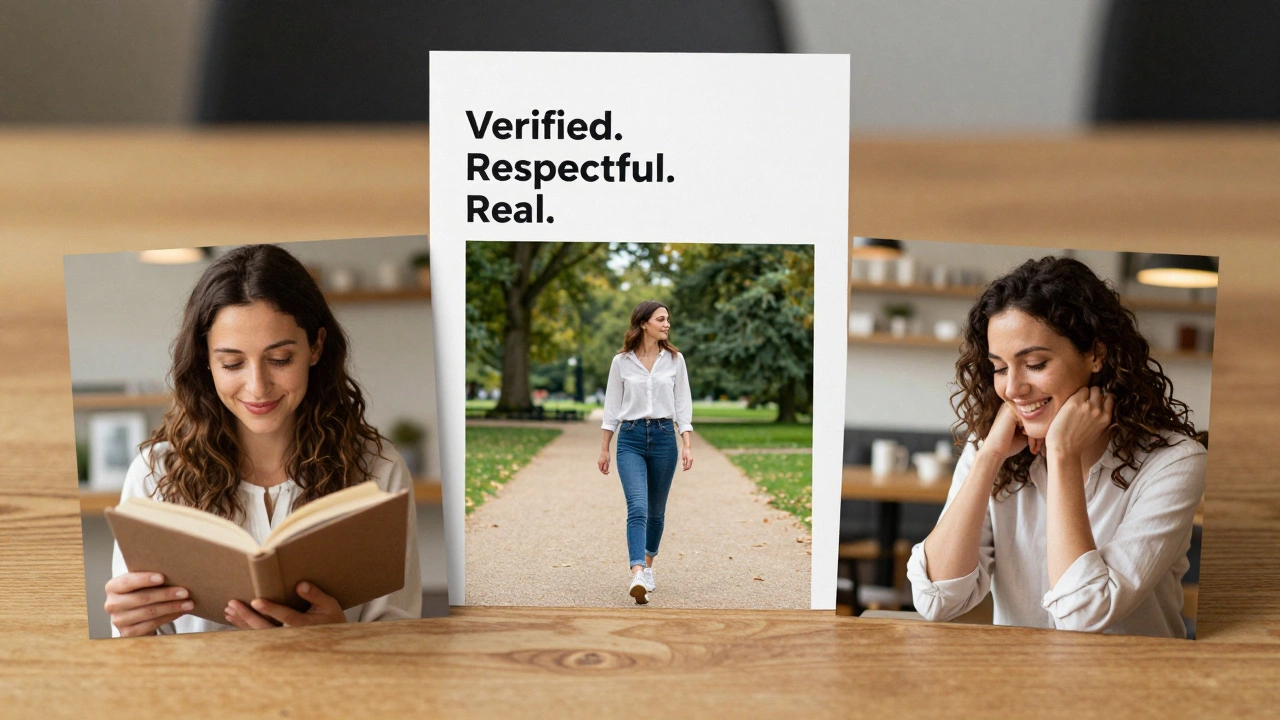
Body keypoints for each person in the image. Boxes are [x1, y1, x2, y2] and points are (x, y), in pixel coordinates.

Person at [105, 244, 421, 637]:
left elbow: (403, 638)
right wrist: (130, 629)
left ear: (316, 347)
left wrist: (340, 639)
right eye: (232, 363)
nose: (257, 387)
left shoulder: (378, 469)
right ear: (205, 359)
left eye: (280, 359)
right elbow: (136, 654)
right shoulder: (155, 475)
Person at [907, 256, 1206, 638]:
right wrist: (988, 458)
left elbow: (1084, 615)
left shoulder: (1174, 463)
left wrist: (1062, 454)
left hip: (1135, 686)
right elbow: (937, 601)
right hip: (1022, 686)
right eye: (999, 367)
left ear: (1095, 355)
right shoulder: (994, 450)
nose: (1013, 388)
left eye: (1034, 363)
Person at [597, 300, 694, 604]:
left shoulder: (675, 360)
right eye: (661, 319)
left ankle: (648, 565)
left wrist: (687, 443)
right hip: (631, 439)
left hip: (665, 438)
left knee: (656, 511)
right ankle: (637, 571)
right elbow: (612, 407)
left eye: (668, 320)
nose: (667, 325)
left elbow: (683, 404)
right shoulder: (621, 362)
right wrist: (605, 448)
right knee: (637, 506)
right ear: (643, 324)